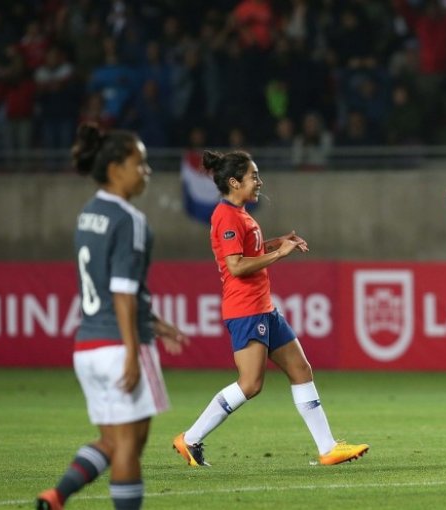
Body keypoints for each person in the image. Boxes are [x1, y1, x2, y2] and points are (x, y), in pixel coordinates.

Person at [172, 149, 368, 468]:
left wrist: (277, 243)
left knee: (301, 369)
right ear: (234, 182)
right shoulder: (226, 216)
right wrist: (280, 255)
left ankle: (328, 448)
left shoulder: (242, 214)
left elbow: (249, 251)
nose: (259, 182)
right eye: (253, 177)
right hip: (246, 309)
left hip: (264, 307)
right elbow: (235, 266)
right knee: (250, 384)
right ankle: (190, 439)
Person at [37, 123, 190, 510]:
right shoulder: (130, 220)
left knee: (111, 441)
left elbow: (108, 287)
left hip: (87, 345)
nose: (147, 171)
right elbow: (121, 291)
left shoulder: (88, 214)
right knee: (128, 447)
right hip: (118, 344)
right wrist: (131, 349)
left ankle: (56, 496)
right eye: (141, 163)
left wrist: (153, 321)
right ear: (116, 168)